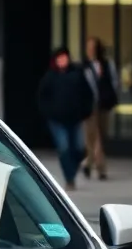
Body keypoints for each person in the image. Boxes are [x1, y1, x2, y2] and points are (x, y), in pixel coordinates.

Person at [37, 47, 95, 190]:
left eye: (64, 58)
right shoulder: (50, 77)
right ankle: (70, 178)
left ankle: (74, 169)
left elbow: (88, 94)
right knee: (64, 148)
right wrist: (49, 112)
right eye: (59, 58)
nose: (62, 61)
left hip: (75, 118)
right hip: (57, 120)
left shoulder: (77, 73)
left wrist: (86, 111)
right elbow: (42, 97)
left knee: (78, 148)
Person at [81, 37, 120, 181]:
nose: (90, 50)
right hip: (89, 106)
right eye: (88, 47)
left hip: (104, 104)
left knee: (100, 136)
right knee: (93, 136)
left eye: (93, 47)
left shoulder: (107, 65)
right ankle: (101, 168)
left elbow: (114, 81)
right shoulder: (84, 66)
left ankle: (88, 162)